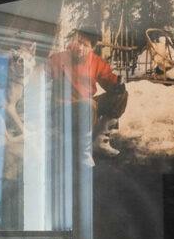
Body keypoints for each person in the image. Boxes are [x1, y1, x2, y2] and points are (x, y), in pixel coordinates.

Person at [46, 26, 127, 155]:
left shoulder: (95, 61)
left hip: (87, 107)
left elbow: (108, 79)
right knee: (88, 104)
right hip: (63, 109)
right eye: (78, 42)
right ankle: (84, 148)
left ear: (92, 48)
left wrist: (117, 83)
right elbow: (40, 76)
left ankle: (101, 139)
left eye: (85, 45)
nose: (80, 47)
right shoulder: (59, 59)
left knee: (120, 96)